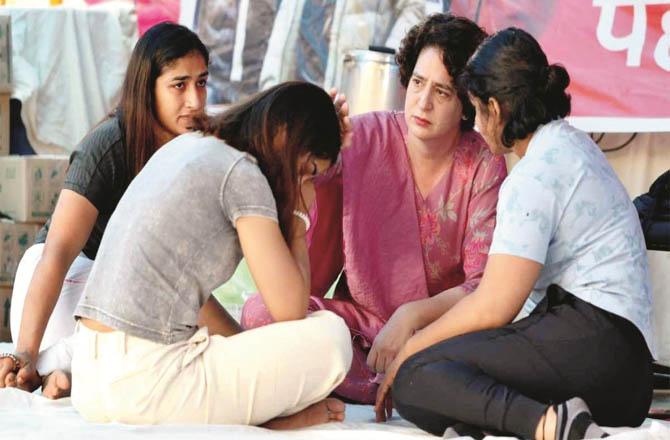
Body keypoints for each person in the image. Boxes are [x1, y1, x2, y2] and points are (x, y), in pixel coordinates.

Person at [376, 28, 655, 440]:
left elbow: (495, 306)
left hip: (596, 343)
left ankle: (551, 427)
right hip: (625, 374)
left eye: (473, 109)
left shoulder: (536, 172)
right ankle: (528, 422)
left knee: (418, 377)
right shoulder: (572, 146)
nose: (476, 124)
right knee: (448, 371)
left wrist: (411, 351)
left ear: (493, 107)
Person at [242, 13, 507, 404]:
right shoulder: (365, 136)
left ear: (467, 104)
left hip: (436, 335)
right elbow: (311, 200)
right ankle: (393, 385)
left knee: (469, 359)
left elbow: (482, 287)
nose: (423, 102)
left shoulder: (484, 165)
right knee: (259, 312)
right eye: (417, 83)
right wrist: (321, 146)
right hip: (359, 331)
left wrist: (411, 316)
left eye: (442, 92)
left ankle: (395, 379)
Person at [69, 81, 352, 428]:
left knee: (259, 344)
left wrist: (255, 358)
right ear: (287, 138)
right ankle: (265, 422)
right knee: (332, 337)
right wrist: (297, 214)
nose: (308, 184)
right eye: (309, 171)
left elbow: (192, 298)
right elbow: (289, 308)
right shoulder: (243, 173)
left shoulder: (191, 145)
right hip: (146, 384)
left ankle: (251, 413)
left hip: (90, 377)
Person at [0, 22, 210, 398]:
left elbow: (254, 125)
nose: (194, 100)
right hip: (58, 294)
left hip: (112, 312)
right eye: (179, 85)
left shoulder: (197, 144)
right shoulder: (109, 146)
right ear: (148, 89)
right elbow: (58, 253)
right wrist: (25, 352)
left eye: (202, 83)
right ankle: (46, 366)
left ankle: (65, 374)